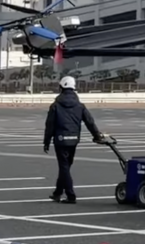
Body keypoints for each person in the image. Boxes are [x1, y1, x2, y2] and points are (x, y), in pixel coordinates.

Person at [42, 75, 103, 203]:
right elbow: (90, 122)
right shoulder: (80, 105)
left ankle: (70, 195)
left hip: (61, 139)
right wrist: (97, 135)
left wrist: (46, 141)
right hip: (74, 139)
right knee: (65, 167)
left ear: (61, 88)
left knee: (64, 167)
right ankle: (58, 192)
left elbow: (50, 125)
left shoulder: (55, 105)